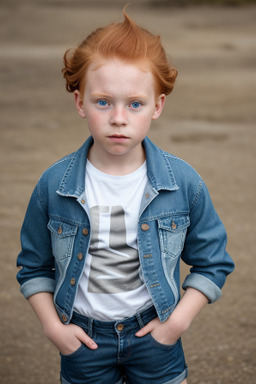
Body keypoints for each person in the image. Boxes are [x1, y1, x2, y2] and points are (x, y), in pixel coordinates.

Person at [17, 7, 235, 384]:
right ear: (80, 102)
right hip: (83, 342)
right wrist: (54, 330)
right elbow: (34, 267)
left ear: (158, 106)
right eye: (103, 102)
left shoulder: (183, 183)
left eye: (135, 103)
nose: (119, 117)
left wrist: (175, 325)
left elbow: (212, 262)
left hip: (155, 338)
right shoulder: (55, 185)